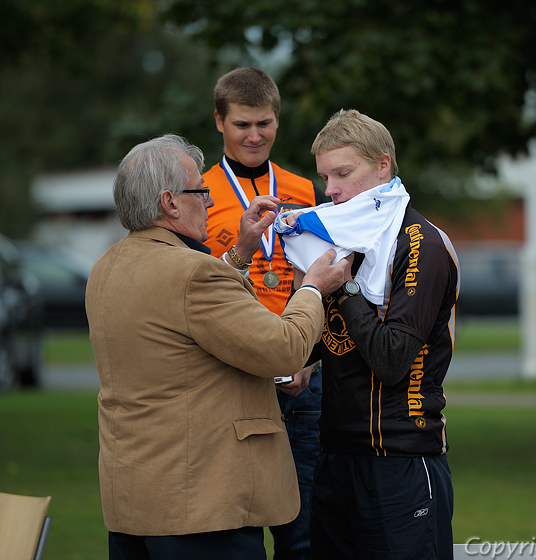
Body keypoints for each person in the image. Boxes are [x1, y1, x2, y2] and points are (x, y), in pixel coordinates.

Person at [85, 134, 348, 560]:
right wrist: (314, 287)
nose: (209, 202)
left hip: (134, 500)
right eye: (200, 191)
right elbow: (285, 349)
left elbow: (177, 308)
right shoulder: (190, 275)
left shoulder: (108, 267)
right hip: (201, 507)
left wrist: (239, 253)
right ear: (170, 202)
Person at [277, 109, 459, 560]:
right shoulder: (341, 243)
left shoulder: (421, 242)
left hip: (400, 457)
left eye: (342, 173)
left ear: (383, 165)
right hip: (336, 457)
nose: (330, 190)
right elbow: (320, 340)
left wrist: (343, 289)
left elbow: (393, 359)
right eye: (324, 178)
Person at [202, 67, 331, 559]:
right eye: (242, 125)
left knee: (306, 521)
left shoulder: (301, 187)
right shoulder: (201, 192)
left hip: (303, 370)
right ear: (219, 121)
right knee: (243, 518)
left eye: (265, 123)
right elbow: (199, 284)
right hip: (237, 373)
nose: (255, 136)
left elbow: (317, 272)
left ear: (278, 119)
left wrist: (310, 356)